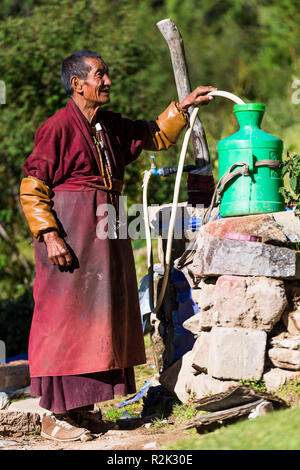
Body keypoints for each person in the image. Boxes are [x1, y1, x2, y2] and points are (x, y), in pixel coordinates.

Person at [20, 49, 216, 442]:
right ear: (77, 84)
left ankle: (84, 411)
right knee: (65, 319)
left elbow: (154, 134)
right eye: (99, 75)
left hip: (106, 231)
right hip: (70, 233)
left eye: (107, 75)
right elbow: (32, 185)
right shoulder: (56, 128)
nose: (108, 82)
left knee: (100, 318)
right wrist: (50, 234)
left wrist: (182, 107)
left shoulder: (108, 125)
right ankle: (56, 416)